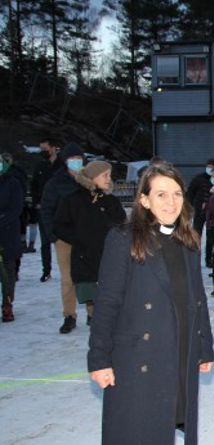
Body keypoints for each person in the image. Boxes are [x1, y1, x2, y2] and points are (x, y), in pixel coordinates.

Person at [88, 162, 214, 445]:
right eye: (161, 195)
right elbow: (107, 303)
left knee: (167, 426)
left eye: (177, 194)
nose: (171, 202)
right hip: (137, 357)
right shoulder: (124, 239)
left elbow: (198, 299)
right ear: (144, 200)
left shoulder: (188, 240)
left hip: (179, 352)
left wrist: (204, 346)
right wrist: (99, 359)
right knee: (138, 434)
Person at [53, 161, 126, 326]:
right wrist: (79, 239)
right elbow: (59, 225)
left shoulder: (111, 201)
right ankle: (70, 316)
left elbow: (122, 225)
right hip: (82, 253)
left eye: (110, 174)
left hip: (106, 252)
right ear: (92, 177)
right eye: (105, 175)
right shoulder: (72, 200)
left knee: (106, 286)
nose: (109, 178)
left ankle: (97, 316)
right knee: (81, 285)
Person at [40, 142, 87, 334]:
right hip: (64, 239)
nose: (76, 162)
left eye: (79, 159)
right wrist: (53, 235)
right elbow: (46, 210)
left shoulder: (89, 180)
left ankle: (93, 313)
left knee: (90, 276)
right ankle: (69, 315)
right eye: (72, 159)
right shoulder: (55, 183)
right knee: (68, 279)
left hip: (87, 238)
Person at [32, 137, 62, 282]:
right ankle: (46, 270)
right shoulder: (39, 165)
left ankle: (68, 270)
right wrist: (36, 202)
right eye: (41, 149)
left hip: (61, 210)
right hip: (44, 209)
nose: (43, 152)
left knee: (64, 242)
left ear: (53, 147)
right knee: (45, 242)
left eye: (45, 149)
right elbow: (34, 185)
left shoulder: (63, 165)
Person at [0, 153, 23, 322]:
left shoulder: (13, 183)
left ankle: (7, 305)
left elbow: (16, 208)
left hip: (7, 233)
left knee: (8, 271)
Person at [186, 158, 214, 267]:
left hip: (211, 213)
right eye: (208, 167)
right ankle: (195, 257)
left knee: (210, 237)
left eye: (212, 167)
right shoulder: (198, 179)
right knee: (196, 234)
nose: (210, 169)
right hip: (199, 211)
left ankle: (208, 260)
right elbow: (190, 192)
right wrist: (190, 206)